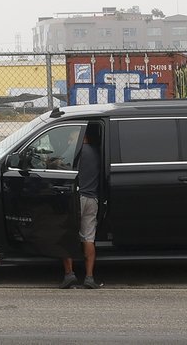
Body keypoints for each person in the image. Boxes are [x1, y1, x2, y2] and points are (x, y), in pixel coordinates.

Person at [60, 122, 103, 289]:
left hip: (77, 198)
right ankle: (89, 277)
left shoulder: (77, 150)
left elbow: (60, 163)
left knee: (67, 235)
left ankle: (69, 275)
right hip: (93, 199)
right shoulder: (97, 153)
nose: (71, 139)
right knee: (88, 237)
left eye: (73, 136)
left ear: (82, 136)